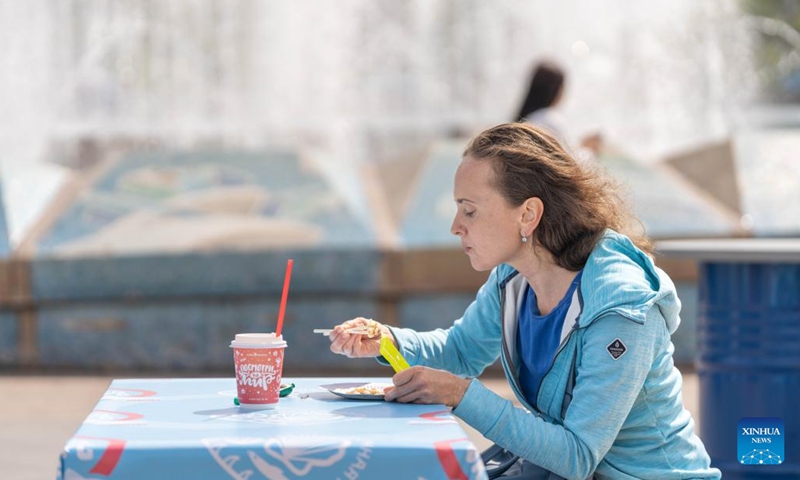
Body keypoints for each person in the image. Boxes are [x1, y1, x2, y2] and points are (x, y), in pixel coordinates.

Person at [327, 123, 720, 479]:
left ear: (528, 214)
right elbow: (460, 351)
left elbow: (578, 455)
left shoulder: (622, 308)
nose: (455, 226)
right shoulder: (513, 277)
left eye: (470, 210)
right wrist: (388, 341)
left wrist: (459, 394)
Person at [516, 60, 602, 160]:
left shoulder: (525, 121)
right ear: (556, 89)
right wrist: (589, 149)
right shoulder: (550, 120)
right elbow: (570, 163)